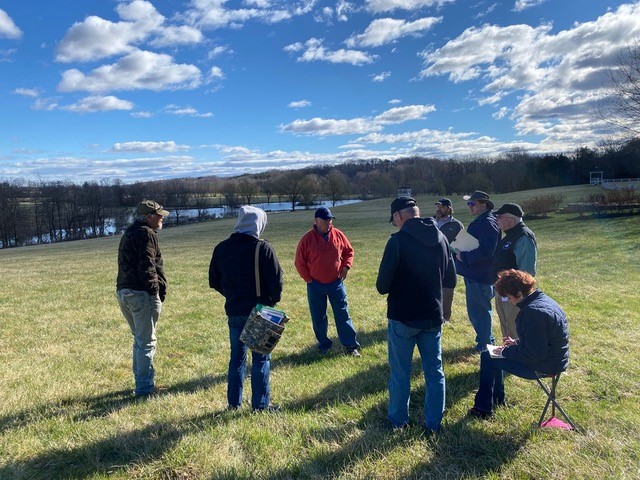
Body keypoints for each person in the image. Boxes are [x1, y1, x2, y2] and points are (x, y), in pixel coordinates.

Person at [376, 197, 457, 433]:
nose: (394, 224)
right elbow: (450, 279)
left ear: (399, 216)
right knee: (435, 372)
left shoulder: (397, 242)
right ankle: (434, 424)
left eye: (393, 220)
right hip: (432, 315)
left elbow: (382, 286)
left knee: (401, 373)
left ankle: (398, 421)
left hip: (403, 316)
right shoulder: (441, 237)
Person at [209, 206, 283, 411]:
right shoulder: (263, 248)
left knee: (237, 358)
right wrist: (272, 300)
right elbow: (276, 282)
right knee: (261, 358)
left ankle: (234, 403)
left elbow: (214, 280)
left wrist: (231, 295)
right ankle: (260, 405)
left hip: (234, 309)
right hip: (260, 310)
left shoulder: (221, 248)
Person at [468, 269, 569, 418]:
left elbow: (534, 354)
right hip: (556, 359)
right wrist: (515, 342)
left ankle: (482, 409)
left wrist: (504, 351)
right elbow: (542, 339)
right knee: (491, 356)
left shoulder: (532, 313)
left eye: (509, 297)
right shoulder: (544, 301)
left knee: (488, 357)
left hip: (546, 365)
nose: (509, 301)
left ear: (519, 294)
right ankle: (496, 401)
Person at [116, 199, 169, 398]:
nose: (162, 217)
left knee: (140, 341)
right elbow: (148, 266)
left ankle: (143, 382)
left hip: (124, 292)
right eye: (159, 215)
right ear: (149, 217)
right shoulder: (146, 234)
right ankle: (145, 389)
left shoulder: (129, 233)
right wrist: (155, 292)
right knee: (146, 342)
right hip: (141, 294)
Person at [295, 207, 361, 356]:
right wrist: (309, 280)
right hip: (315, 284)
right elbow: (299, 262)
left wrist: (346, 267)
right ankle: (324, 344)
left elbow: (349, 252)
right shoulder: (307, 239)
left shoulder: (338, 235)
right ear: (316, 221)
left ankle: (351, 346)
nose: (328, 223)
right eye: (325, 220)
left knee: (343, 314)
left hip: (336, 283)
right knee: (318, 316)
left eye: (330, 219)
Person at [454, 190, 500, 351]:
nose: (469, 207)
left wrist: (464, 257)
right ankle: (485, 341)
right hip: (476, 274)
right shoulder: (483, 221)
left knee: (479, 313)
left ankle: (486, 346)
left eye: (472, 204)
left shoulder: (488, 222)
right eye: (468, 204)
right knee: (477, 313)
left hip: (480, 277)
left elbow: (487, 251)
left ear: (483, 205)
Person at [492, 203, 537, 339]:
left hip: (515, 294)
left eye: (499, 217)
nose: (497, 220)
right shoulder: (510, 235)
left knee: (515, 326)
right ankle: (508, 354)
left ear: (511, 220)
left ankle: (518, 356)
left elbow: (526, 272)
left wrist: (516, 295)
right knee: (505, 325)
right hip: (503, 290)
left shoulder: (523, 236)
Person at [434, 197, 464, 322]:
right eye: (438, 206)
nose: (439, 209)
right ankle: (434, 314)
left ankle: (445, 317)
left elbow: (462, 243)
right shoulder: (431, 222)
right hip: (432, 261)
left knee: (447, 289)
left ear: (449, 208)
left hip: (449, 262)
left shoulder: (456, 225)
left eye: (441, 206)